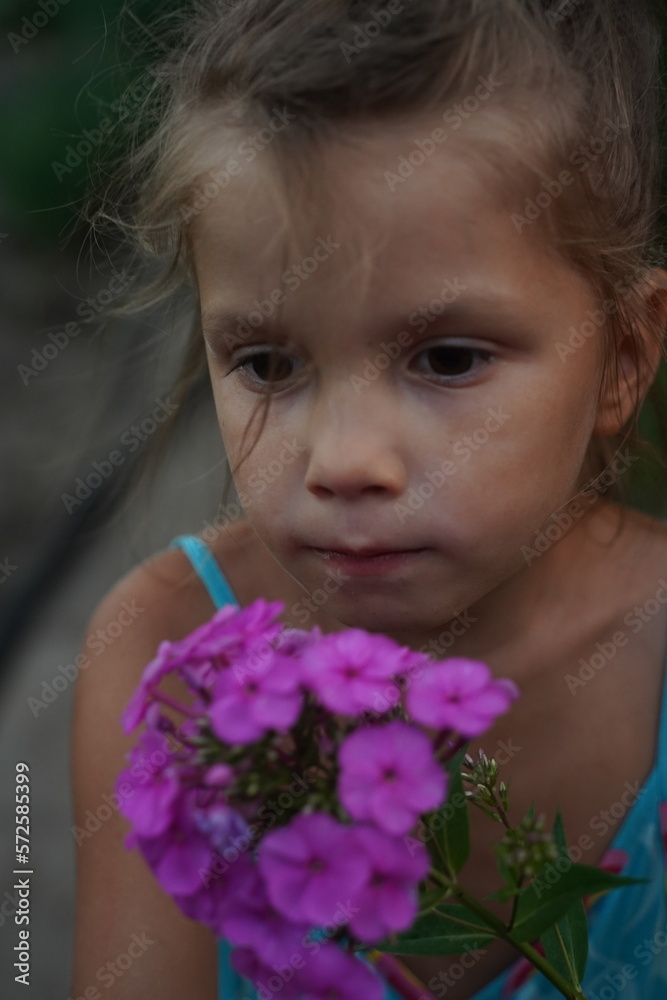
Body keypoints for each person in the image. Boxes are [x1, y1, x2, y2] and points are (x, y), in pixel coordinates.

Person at [70, 0, 667, 997]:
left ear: (623, 356)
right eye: (266, 361)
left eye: (446, 358)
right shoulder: (159, 654)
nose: (343, 460)